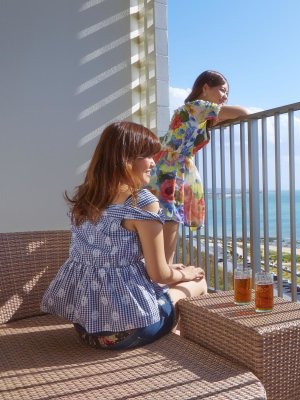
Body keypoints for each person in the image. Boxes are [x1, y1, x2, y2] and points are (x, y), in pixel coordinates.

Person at [41, 121, 208, 350]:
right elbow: (159, 274)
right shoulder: (143, 203)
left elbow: (113, 260)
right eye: (146, 156)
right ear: (125, 159)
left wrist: (171, 272)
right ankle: (186, 347)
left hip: (87, 330)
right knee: (198, 281)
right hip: (129, 332)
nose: (153, 162)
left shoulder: (86, 199)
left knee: (175, 278)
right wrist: (185, 273)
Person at [148, 70, 250, 264]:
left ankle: (159, 271)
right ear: (205, 88)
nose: (225, 97)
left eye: (227, 93)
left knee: (163, 220)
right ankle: (162, 274)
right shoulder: (200, 106)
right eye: (222, 90)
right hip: (171, 171)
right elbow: (243, 113)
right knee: (170, 220)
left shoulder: (186, 109)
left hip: (163, 168)